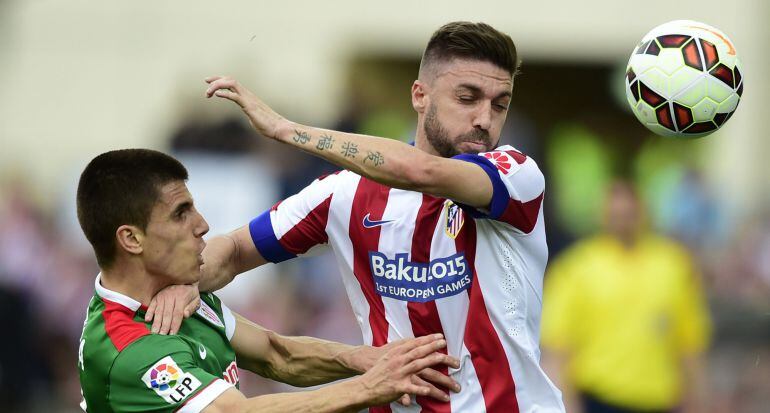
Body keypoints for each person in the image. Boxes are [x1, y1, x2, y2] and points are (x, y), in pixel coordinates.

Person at [151, 21, 565, 412]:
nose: (484, 119)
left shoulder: (515, 177)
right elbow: (236, 249)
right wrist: (180, 282)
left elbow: (419, 171)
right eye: (467, 98)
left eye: (500, 105)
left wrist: (286, 130)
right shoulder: (344, 194)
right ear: (420, 96)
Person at [75, 149, 459, 413]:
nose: (203, 225)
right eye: (180, 213)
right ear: (131, 239)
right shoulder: (126, 349)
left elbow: (277, 355)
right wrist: (369, 387)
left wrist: (362, 359)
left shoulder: (176, 293)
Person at [540, 181, 711, 413]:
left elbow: (690, 342)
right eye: (615, 214)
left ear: (643, 212)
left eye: (629, 213)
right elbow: (557, 348)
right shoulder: (576, 268)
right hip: (599, 399)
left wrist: (696, 400)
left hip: (660, 400)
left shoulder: (673, 265)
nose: (622, 220)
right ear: (602, 215)